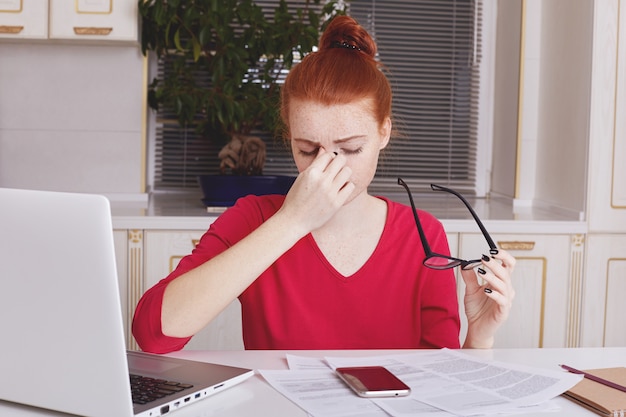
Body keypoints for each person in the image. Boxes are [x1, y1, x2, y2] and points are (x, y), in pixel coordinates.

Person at [132, 15, 515, 354]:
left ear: (383, 133)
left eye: (349, 148)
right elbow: (154, 334)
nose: (327, 167)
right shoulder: (254, 218)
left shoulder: (422, 234)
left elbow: (438, 380)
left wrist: (478, 339)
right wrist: (291, 222)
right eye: (308, 149)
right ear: (290, 138)